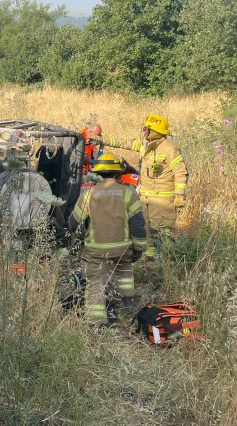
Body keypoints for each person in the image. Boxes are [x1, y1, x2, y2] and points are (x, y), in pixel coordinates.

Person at [69, 153, 147, 326]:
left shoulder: (88, 194)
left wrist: (75, 237)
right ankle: (128, 304)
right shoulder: (129, 194)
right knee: (125, 271)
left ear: (97, 173)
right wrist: (139, 248)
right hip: (123, 249)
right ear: (118, 173)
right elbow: (138, 225)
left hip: (95, 251)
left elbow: (73, 222)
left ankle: (97, 321)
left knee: (95, 282)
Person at [103, 114, 188, 259]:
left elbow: (181, 171)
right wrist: (103, 140)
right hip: (145, 196)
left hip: (163, 199)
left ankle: (166, 257)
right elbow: (125, 143)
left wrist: (179, 194)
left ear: (154, 131)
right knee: (145, 227)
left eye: (146, 129)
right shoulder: (145, 145)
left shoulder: (169, 149)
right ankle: (150, 256)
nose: (144, 131)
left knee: (162, 230)